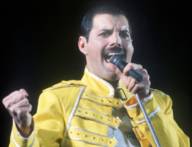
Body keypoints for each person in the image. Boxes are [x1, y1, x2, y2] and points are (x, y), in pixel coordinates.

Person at [2, 5, 190, 147]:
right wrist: (24, 130)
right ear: (83, 45)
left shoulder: (159, 101)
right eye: (105, 33)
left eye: (124, 34)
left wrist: (145, 100)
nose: (116, 41)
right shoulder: (60, 99)